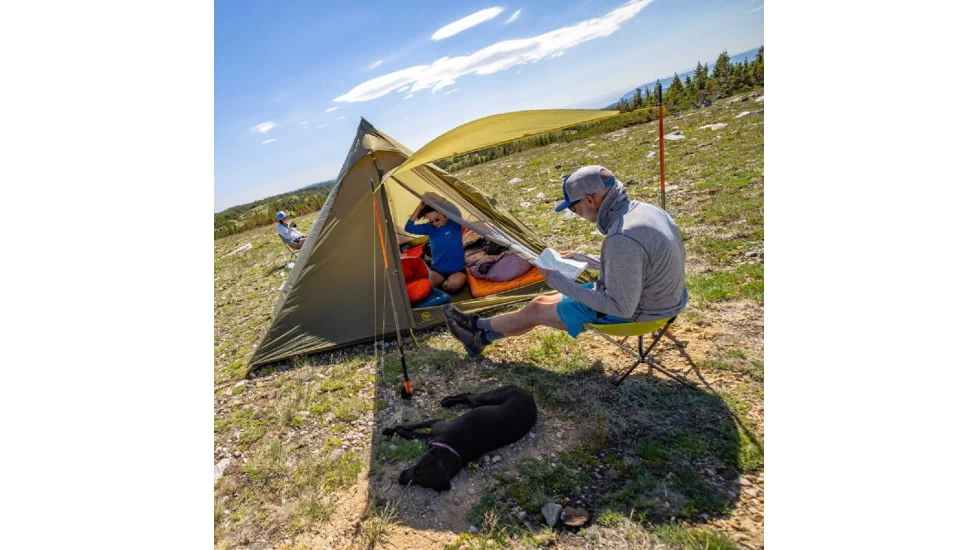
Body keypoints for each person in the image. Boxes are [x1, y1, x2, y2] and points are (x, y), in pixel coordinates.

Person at [443, 165, 687, 358]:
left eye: (574, 208)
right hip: (664, 299)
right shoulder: (646, 211)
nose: (577, 214)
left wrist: (556, 280)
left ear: (590, 200)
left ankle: (474, 327)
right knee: (540, 301)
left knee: (538, 309)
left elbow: (620, 308)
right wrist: (587, 260)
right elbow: (641, 266)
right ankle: (479, 336)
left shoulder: (621, 237)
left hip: (642, 314)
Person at [404, 200, 467, 293]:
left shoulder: (455, 222)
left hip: (457, 269)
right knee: (426, 286)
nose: (435, 223)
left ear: (442, 213)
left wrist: (433, 198)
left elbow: (453, 208)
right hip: (438, 269)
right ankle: (441, 281)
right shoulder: (429, 228)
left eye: (437, 219)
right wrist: (419, 207)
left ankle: (446, 282)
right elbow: (408, 228)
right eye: (431, 221)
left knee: (452, 286)